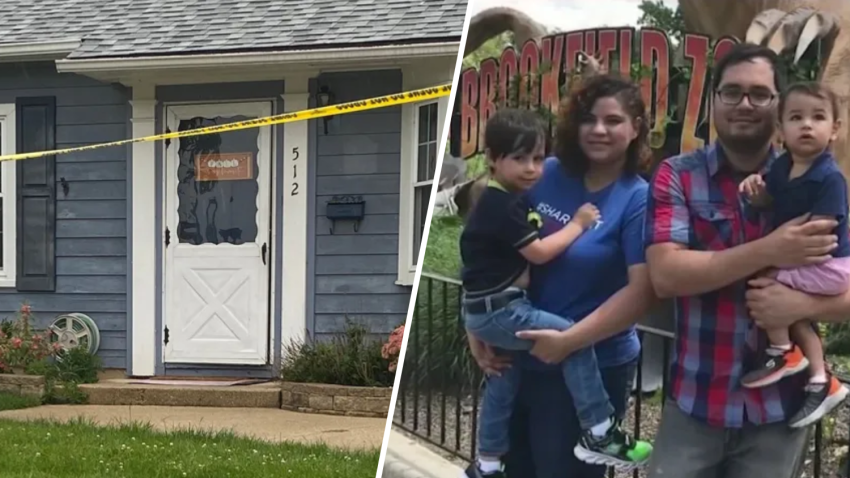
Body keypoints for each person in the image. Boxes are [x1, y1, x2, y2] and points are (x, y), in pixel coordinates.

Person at [644, 43, 845, 478]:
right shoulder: (677, 175)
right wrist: (772, 249)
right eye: (732, 92)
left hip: (778, 415)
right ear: (713, 99)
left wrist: (805, 307)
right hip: (695, 404)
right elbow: (666, 275)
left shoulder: (822, 180)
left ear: (779, 106)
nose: (745, 104)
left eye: (760, 94)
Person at [466, 73, 658, 478]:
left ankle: (601, 434)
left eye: (613, 120)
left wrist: (569, 342)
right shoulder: (542, 173)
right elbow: (486, 239)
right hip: (518, 355)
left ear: (636, 128)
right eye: (589, 119)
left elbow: (642, 293)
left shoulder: (638, 198)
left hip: (591, 365)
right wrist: (475, 326)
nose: (599, 129)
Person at [738, 81, 850, 427]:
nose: (806, 125)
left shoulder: (829, 178)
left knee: (767, 280)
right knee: (789, 304)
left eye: (818, 117)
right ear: (781, 129)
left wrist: (777, 251)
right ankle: (819, 377)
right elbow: (770, 201)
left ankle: (783, 351)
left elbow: (820, 232)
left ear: (834, 129)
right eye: (796, 117)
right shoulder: (782, 168)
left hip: (831, 264)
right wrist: (756, 196)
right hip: (808, 262)